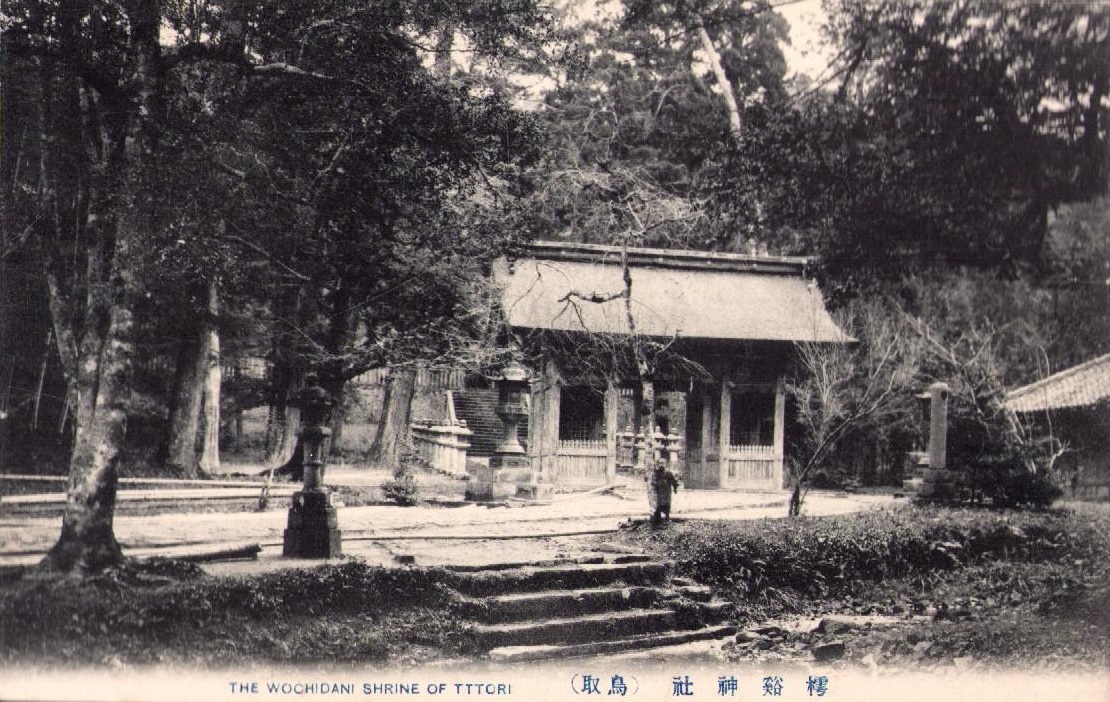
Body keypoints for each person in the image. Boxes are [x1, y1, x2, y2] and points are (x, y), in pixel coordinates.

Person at [648, 460, 680, 526]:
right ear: (658, 464)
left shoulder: (668, 473)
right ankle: (658, 518)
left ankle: (667, 517)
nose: (661, 465)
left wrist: (675, 488)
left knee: (667, 504)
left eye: (662, 463)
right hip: (659, 492)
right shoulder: (656, 473)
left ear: (665, 464)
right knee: (658, 504)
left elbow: (673, 481)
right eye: (660, 463)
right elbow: (653, 481)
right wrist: (655, 484)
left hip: (666, 492)